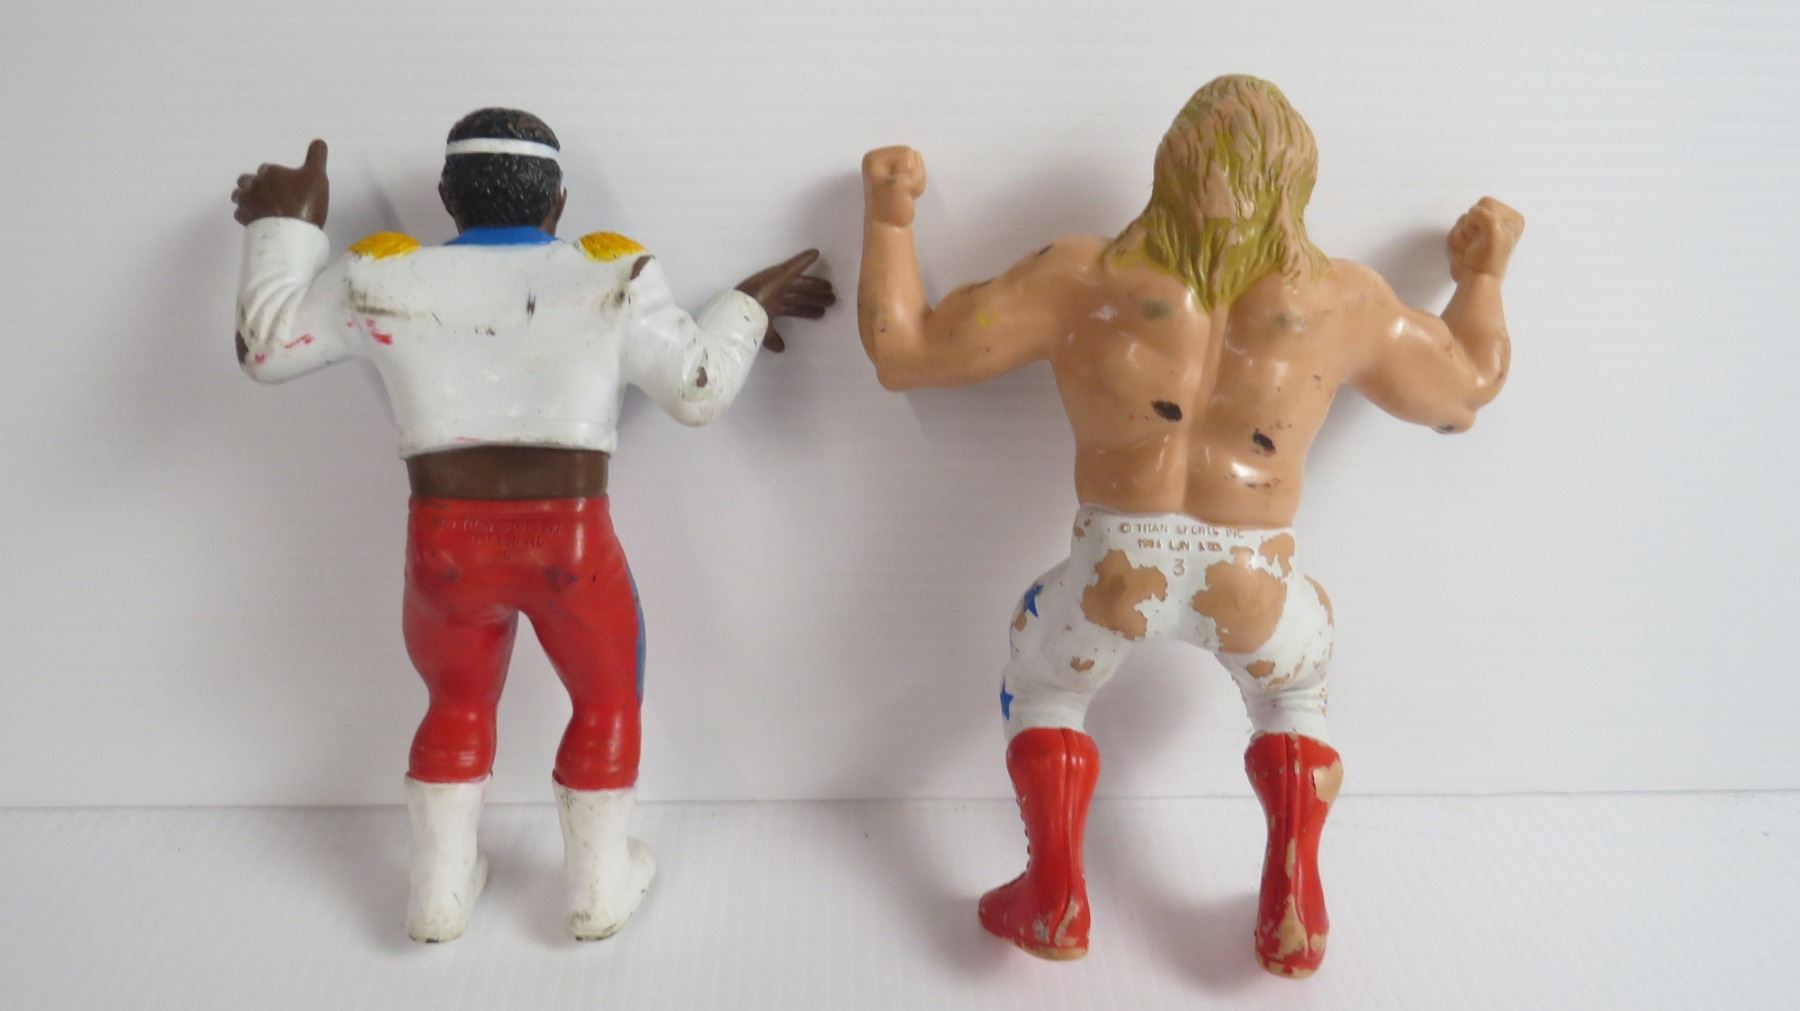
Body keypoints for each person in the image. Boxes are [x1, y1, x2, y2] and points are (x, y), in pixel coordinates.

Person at [856, 75, 1520, 977]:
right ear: (1297, 188)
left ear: (1167, 168)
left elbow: (905, 351)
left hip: (1112, 572)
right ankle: (1294, 904)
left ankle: (1052, 891)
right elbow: (1466, 391)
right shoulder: (1343, 304)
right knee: (1294, 692)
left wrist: (889, 218)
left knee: (1044, 685)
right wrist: (1484, 275)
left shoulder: (1082, 278)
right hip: (1256, 585)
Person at [230, 107, 834, 943]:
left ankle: (437, 891)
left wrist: (285, 224)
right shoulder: (612, 272)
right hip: (568, 542)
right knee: (607, 696)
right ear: (559, 202)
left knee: (453, 699)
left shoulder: (380, 274)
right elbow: (698, 389)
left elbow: (265, 348)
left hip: (442, 543)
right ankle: (599, 886)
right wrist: (746, 306)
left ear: (447, 196)